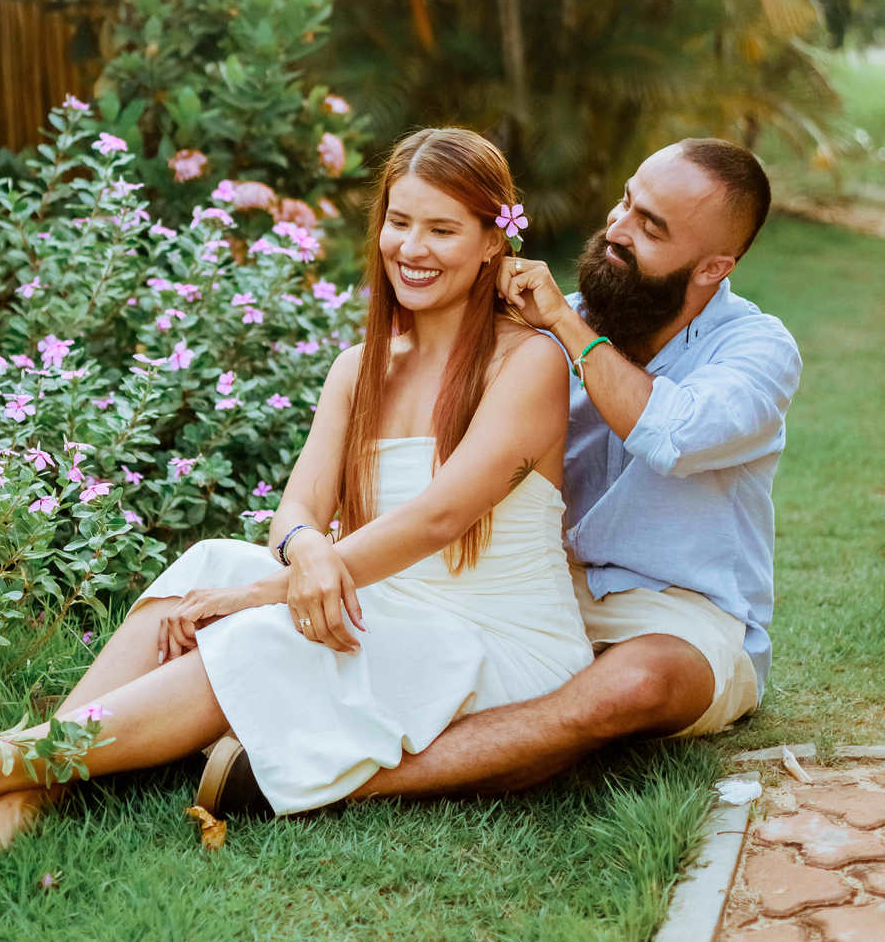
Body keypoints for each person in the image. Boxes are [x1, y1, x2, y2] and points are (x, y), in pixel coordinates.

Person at [0, 127, 595, 844]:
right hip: (386, 601)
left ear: (496, 240)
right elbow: (295, 510)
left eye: (443, 229)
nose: (411, 248)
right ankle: (24, 795)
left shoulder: (525, 362)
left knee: (262, 626)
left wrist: (277, 590)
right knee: (213, 561)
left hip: (494, 643)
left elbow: (439, 517)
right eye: (399, 221)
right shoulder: (359, 368)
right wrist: (306, 550)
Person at [199, 135, 803, 817]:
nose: (618, 228)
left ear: (713, 267)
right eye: (626, 202)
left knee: (636, 684)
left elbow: (668, 433)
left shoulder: (757, 351)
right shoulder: (537, 332)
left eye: (650, 227)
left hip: (678, 613)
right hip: (531, 593)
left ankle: (316, 778)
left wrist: (565, 329)